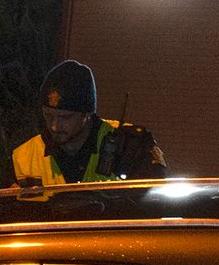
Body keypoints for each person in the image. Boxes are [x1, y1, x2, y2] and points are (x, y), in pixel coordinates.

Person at [10, 60, 165, 187]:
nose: (54, 126)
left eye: (66, 118)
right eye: (48, 116)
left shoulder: (130, 147)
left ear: (88, 113)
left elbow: (156, 204)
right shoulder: (22, 158)